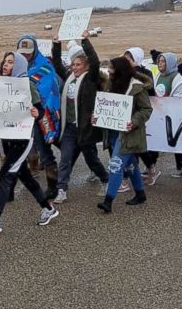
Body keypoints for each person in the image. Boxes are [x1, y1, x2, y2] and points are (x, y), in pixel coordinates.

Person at [0, 52, 60, 234]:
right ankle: (48, 209)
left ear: (19, 66)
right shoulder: (0, 85)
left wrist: (36, 113)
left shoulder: (26, 84)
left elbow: (39, 106)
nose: (6, 65)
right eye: (5, 61)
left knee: (5, 175)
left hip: (22, 140)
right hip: (7, 139)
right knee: (26, 177)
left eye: (11, 62)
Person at [51, 31, 109, 203]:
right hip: (69, 127)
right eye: (73, 64)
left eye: (78, 65)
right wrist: (56, 45)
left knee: (92, 160)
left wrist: (85, 41)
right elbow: (56, 64)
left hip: (85, 129)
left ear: (86, 67)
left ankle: (105, 180)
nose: (74, 67)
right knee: (65, 158)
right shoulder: (69, 78)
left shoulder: (90, 80)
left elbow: (95, 60)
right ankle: (61, 189)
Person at [95, 57, 153, 213]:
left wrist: (133, 122)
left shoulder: (137, 88)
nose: (109, 71)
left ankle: (108, 201)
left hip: (129, 134)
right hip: (113, 132)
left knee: (116, 164)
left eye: (112, 68)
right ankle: (140, 194)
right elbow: (105, 105)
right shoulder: (110, 84)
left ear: (120, 70)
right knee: (130, 164)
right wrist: (97, 116)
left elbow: (146, 109)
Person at [16, 35, 61, 200]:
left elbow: (43, 89)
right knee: (20, 149)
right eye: (22, 52)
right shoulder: (17, 66)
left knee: (46, 148)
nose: (26, 55)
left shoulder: (45, 66)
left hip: (44, 114)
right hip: (24, 115)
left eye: (29, 52)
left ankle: (53, 185)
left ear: (35, 50)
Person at [124, 47, 160, 185]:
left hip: (139, 113)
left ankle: (149, 169)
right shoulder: (124, 73)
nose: (126, 61)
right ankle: (132, 175)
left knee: (138, 145)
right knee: (131, 147)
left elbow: (150, 90)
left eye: (129, 59)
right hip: (127, 112)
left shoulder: (145, 73)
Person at [154, 52, 182, 177]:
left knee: (175, 142)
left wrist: (168, 107)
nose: (160, 64)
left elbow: (177, 96)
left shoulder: (177, 77)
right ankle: (150, 166)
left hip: (172, 115)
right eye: (159, 61)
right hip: (159, 113)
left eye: (163, 62)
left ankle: (179, 167)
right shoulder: (158, 75)